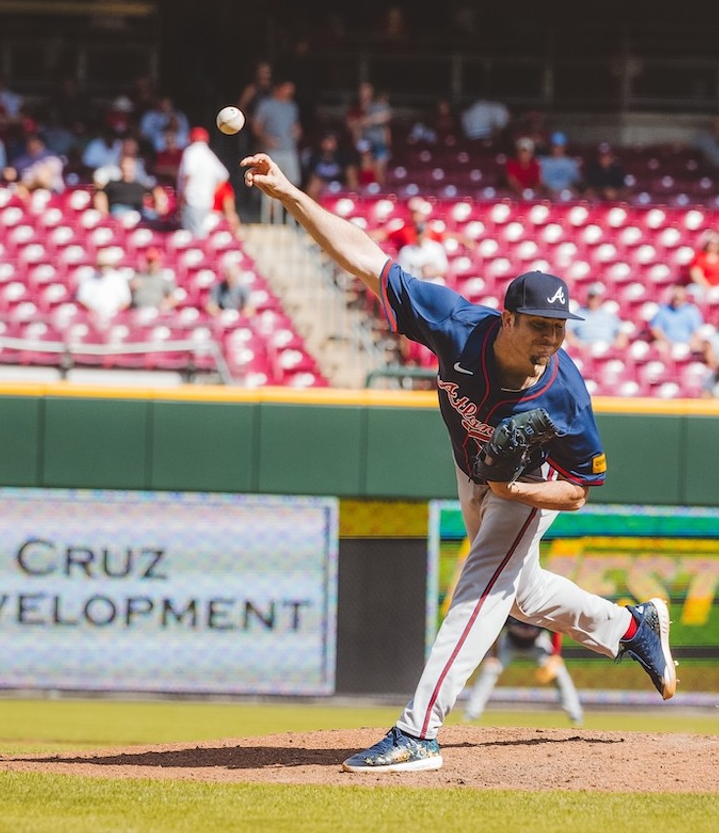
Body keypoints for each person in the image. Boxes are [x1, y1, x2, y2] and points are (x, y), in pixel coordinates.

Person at [241, 150, 677, 773]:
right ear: (507, 318)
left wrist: (515, 492)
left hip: (531, 485)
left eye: (561, 327)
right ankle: (629, 629)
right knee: (520, 593)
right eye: (539, 326)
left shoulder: (564, 394)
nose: (551, 339)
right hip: (473, 472)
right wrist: (289, 195)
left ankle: (419, 733)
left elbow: (580, 490)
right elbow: (366, 258)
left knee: (478, 589)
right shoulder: (454, 325)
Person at [462, 620, 584, 726]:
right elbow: (496, 629)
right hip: (509, 644)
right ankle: (471, 714)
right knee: (490, 668)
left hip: (537, 644)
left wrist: (555, 655)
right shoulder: (511, 608)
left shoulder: (539, 608)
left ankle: (576, 715)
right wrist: (494, 655)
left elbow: (555, 630)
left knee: (558, 671)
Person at [177, 127, 229, 238]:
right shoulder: (209, 154)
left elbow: (188, 173)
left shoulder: (191, 151)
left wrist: (183, 193)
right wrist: (211, 191)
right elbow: (224, 176)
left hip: (191, 199)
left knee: (192, 236)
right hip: (206, 201)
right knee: (200, 232)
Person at [252, 79, 301, 185]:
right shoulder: (266, 105)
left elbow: (296, 126)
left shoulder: (292, 107)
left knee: (292, 184)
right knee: (270, 185)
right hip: (272, 151)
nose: (290, 91)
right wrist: (265, 139)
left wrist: (297, 131)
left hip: (289, 150)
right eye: (287, 88)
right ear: (279, 88)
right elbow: (256, 127)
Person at [94, 154, 167, 221]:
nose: (127, 169)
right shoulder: (112, 184)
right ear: (120, 167)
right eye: (125, 166)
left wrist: (160, 204)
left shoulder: (139, 185)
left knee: (153, 216)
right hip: (119, 211)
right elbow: (101, 195)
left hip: (138, 211)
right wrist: (104, 213)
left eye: (130, 166)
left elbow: (156, 190)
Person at [345, 82, 392, 182]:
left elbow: (387, 116)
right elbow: (350, 125)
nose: (364, 93)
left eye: (367, 90)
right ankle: (363, 193)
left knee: (379, 169)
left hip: (379, 142)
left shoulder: (378, 106)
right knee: (365, 163)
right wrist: (360, 123)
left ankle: (380, 193)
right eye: (362, 90)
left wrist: (369, 120)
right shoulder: (355, 108)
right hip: (362, 141)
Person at [567, 282, 628, 350]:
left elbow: (621, 333)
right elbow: (567, 332)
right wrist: (577, 345)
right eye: (591, 297)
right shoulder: (578, 313)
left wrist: (616, 345)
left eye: (596, 297)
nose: (594, 300)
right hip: (585, 349)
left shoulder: (609, 315)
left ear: (600, 298)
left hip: (606, 349)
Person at [77, 251, 132, 325]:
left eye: (106, 265)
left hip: (115, 318)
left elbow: (126, 301)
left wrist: (114, 313)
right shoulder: (89, 279)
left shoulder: (118, 278)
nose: (104, 268)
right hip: (94, 319)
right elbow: (83, 299)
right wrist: (94, 312)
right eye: (101, 265)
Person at [304, 131, 358, 199]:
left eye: (332, 141)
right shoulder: (315, 157)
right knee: (313, 186)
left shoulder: (343, 156)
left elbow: (350, 175)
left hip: (340, 185)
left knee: (351, 173)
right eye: (327, 140)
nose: (330, 143)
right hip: (323, 185)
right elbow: (313, 176)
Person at [648, 284, 704, 351]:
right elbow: (656, 330)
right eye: (675, 297)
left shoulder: (691, 311)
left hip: (687, 343)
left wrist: (690, 343)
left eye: (678, 298)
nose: (676, 300)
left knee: (699, 346)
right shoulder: (662, 310)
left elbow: (697, 331)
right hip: (668, 343)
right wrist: (668, 342)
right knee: (657, 347)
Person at [130, 247, 178, 312]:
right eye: (149, 261)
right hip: (138, 311)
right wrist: (131, 288)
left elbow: (173, 298)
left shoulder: (165, 277)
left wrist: (166, 305)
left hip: (156, 312)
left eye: (154, 261)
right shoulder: (138, 276)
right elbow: (125, 296)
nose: (152, 264)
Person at [539, 132, 581, 197]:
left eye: (561, 147)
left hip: (567, 193)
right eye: (556, 146)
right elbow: (542, 182)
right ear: (551, 147)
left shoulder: (570, 163)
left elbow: (577, 181)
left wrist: (573, 189)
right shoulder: (544, 162)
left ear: (564, 147)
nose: (558, 149)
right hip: (549, 193)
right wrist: (548, 190)